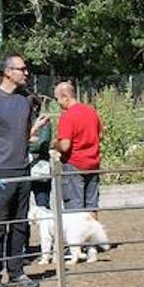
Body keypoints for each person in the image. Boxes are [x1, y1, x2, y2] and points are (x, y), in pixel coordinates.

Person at [0, 54, 48, 287]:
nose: (26, 73)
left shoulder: (25, 101)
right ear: (7, 72)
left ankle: (17, 271)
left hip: (22, 170)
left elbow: (22, 135)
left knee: (20, 223)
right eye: (21, 69)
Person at [54, 81, 104, 216]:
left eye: (57, 99)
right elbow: (100, 135)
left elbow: (65, 145)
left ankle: (77, 237)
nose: (58, 103)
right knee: (92, 207)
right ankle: (93, 236)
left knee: (74, 210)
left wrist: (55, 144)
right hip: (93, 164)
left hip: (74, 165)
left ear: (65, 96)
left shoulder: (67, 116)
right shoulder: (92, 111)